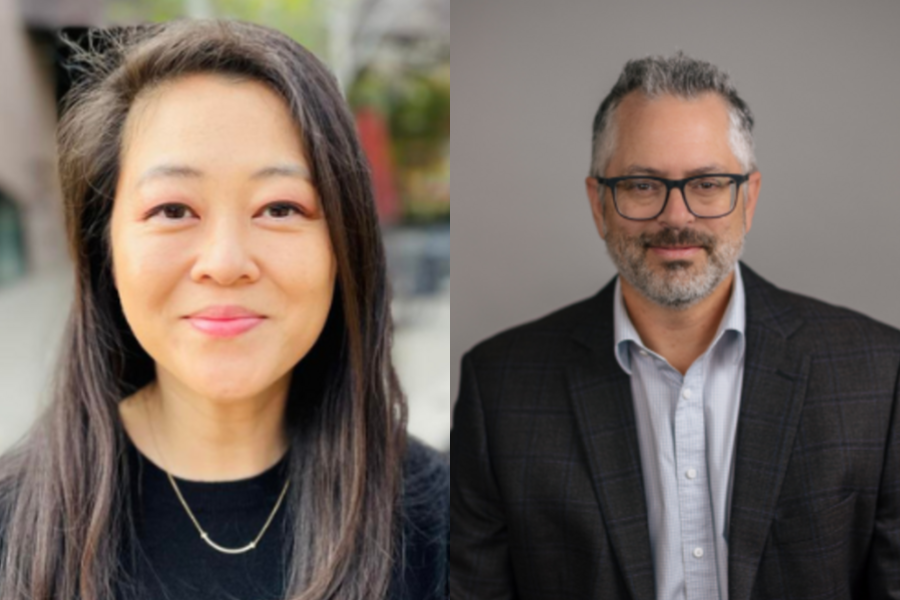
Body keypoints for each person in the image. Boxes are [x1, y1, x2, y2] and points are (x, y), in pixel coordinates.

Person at [0, 19, 448, 600]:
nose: (226, 261)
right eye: (173, 210)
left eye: (280, 208)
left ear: (345, 244)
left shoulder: (447, 522)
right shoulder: (15, 527)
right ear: (102, 245)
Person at [450, 52, 900, 599]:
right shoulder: (499, 390)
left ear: (748, 198)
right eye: (642, 185)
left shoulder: (878, 375)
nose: (677, 216)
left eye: (707, 183)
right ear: (599, 204)